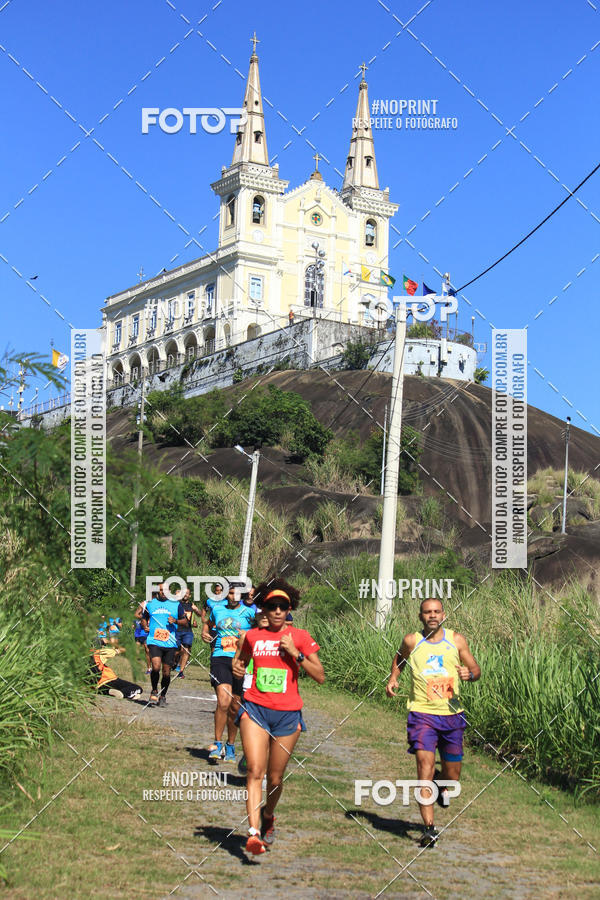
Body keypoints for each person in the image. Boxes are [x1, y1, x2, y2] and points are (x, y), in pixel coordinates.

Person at [232, 578, 324, 856]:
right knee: (254, 772)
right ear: (264, 608)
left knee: (275, 779)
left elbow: (319, 676)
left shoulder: (300, 637)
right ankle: (253, 833)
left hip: (287, 715)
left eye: (282, 606)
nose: (277, 611)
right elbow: (241, 660)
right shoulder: (252, 636)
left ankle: (268, 816)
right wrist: (238, 669)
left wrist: (296, 654)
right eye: (272, 606)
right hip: (256, 709)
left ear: (289, 609)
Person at [385, 598, 481, 848]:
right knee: (423, 768)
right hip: (421, 714)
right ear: (420, 616)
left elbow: (476, 669)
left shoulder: (456, 640)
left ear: (444, 615)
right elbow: (400, 659)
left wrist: (468, 674)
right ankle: (429, 829)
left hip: (452, 714)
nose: (432, 616)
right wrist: (394, 678)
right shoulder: (411, 641)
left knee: (452, 778)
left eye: (437, 612)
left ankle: (442, 782)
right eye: (427, 612)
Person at [203, 586, 256, 764]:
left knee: (235, 707)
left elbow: (260, 632)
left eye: (237, 594)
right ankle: (217, 743)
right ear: (226, 594)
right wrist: (204, 632)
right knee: (223, 702)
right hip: (220, 658)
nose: (234, 597)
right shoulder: (217, 609)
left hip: (240, 661)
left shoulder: (249, 612)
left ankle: (231, 745)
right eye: (231, 593)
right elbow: (208, 624)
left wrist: (247, 634)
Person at [144, 586, 188, 707]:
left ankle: (163, 696)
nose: (163, 592)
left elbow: (185, 622)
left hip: (170, 643)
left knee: (166, 672)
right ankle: (154, 690)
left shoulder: (176, 604)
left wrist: (175, 621)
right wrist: (145, 626)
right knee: (156, 666)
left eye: (166, 590)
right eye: (161, 590)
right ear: (158, 591)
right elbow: (144, 618)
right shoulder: (151, 603)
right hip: (154, 641)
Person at [175, 588, 201, 677]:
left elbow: (200, 615)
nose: (185, 595)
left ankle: (181, 671)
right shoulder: (177, 604)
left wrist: (196, 610)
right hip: (177, 630)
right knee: (177, 651)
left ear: (189, 595)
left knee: (186, 650)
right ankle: (175, 662)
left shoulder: (191, 605)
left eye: (187, 593)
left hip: (187, 631)